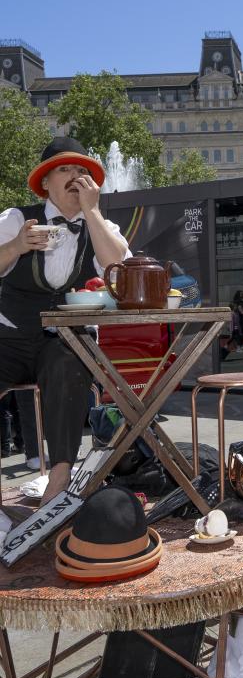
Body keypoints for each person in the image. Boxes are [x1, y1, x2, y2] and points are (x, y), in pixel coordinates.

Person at [0, 137, 130, 501]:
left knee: (68, 363)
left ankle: (58, 482)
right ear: (46, 182)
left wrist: (92, 213)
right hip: (10, 336)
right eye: (65, 169)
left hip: (66, 340)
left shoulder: (100, 224)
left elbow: (117, 269)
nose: (75, 177)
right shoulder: (15, 219)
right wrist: (17, 246)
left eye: (82, 170)